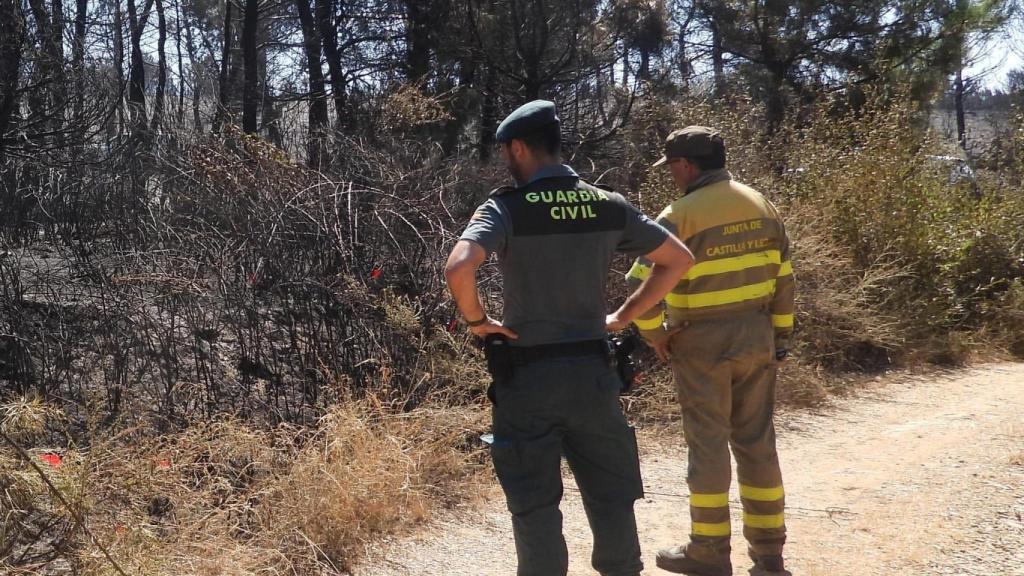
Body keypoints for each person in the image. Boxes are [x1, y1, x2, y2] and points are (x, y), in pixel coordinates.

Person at [444, 100, 694, 576]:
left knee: (535, 503)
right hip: (594, 373)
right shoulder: (607, 204)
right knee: (611, 492)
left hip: (527, 378)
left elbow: (459, 267)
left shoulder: (506, 208)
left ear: (519, 146)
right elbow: (678, 258)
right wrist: (623, 315)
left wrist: (479, 322)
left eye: (506, 152)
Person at [625, 126, 795, 575]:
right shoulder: (762, 204)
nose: (671, 176)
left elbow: (637, 283)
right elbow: (784, 279)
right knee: (757, 444)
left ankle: (709, 550)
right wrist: (780, 339)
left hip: (701, 342)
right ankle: (770, 554)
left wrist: (654, 333)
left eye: (673, 168)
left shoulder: (679, 214)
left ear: (687, 165)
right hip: (757, 335)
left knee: (708, 446)